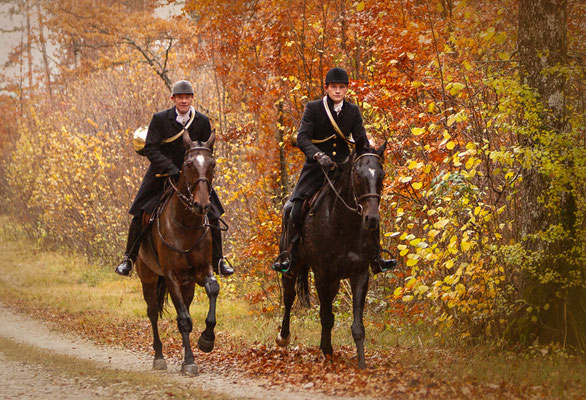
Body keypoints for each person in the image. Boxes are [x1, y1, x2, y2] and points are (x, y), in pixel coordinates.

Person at [272, 67, 396, 275]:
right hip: (316, 169)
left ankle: (376, 256)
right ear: (327, 88)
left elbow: (360, 140)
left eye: (341, 87)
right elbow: (302, 138)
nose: (338, 91)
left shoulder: (353, 111)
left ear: (346, 89)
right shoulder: (313, 108)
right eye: (334, 87)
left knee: (370, 205)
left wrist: (369, 150)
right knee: (292, 208)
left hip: (343, 168)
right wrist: (318, 155)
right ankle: (290, 256)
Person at [115, 80, 234, 277]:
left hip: (194, 176)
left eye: (187, 97)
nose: (184, 101)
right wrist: (171, 168)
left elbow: (206, 150)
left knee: (213, 212)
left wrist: (199, 172)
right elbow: (151, 148)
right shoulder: (160, 119)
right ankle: (129, 258)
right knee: (140, 211)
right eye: (180, 98)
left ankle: (219, 260)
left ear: (192, 99)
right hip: (163, 173)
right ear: (173, 99)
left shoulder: (202, 121)